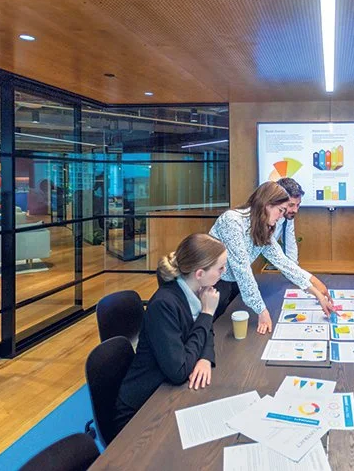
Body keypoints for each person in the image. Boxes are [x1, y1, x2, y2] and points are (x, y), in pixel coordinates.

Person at [114, 233, 227, 434]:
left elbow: (206, 331)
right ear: (200, 273)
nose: (224, 272)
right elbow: (179, 371)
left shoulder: (198, 291)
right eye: (220, 268)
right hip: (141, 411)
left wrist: (205, 358)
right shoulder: (164, 305)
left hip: (166, 392)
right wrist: (207, 313)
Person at [209, 181, 333, 335]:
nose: (281, 216)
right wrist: (262, 311)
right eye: (280, 210)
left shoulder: (263, 227)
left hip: (234, 284)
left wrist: (317, 293)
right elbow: (242, 269)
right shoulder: (232, 221)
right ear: (267, 205)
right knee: (212, 331)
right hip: (212, 284)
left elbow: (283, 262)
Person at [273, 177, 303, 264]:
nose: (295, 210)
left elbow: (290, 246)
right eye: (291, 205)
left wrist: (295, 269)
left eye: (298, 205)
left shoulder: (287, 216)